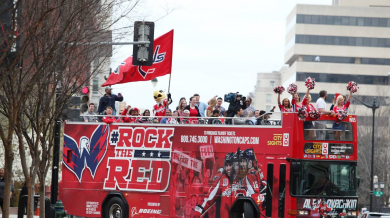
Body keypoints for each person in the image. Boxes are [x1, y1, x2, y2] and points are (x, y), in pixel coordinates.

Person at [194, 153, 234, 218]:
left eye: (230, 165)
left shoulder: (240, 179)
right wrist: (198, 212)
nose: (228, 168)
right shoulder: (221, 179)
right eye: (227, 165)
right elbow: (210, 198)